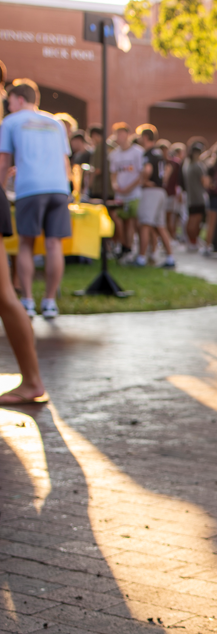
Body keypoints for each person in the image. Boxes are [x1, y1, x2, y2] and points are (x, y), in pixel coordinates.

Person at [0, 79, 72, 321]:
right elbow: (65, 162)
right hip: (58, 188)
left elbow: (3, 161)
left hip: (29, 188)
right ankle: (50, 302)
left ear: (20, 100)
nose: (8, 107)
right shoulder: (56, 123)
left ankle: (28, 300)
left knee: (26, 245)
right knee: (54, 245)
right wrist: (67, 188)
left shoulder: (10, 122)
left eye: (9, 103)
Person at [0, 64, 47, 405]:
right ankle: (31, 381)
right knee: (4, 295)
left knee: (5, 296)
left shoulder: (11, 119)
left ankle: (32, 381)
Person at [134, 124, 174, 267]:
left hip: (151, 191)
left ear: (145, 137)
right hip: (161, 191)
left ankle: (141, 258)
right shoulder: (159, 154)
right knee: (160, 225)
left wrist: (144, 180)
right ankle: (170, 257)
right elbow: (168, 169)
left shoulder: (148, 154)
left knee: (145, 224)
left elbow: (147, 169)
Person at [108, 122, 144, 257]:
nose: (119, 137)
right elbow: (113, 173)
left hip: (133, 193)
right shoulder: (114, 154)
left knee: (131, 220)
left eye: (122, 134)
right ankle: (123, 245)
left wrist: (129, 188)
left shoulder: (138, 152)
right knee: (117, 218)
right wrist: (115, 185)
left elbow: (141, 175)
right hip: (120, 193)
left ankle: (129, 247)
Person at [181, 139, 206, 251]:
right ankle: (193, 240)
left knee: (191, 219)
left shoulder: (187, 165)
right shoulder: (197, 166)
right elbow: (204, 182)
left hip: (191, 197)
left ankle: (191, 241)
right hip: (198, 197)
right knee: (195, 221)